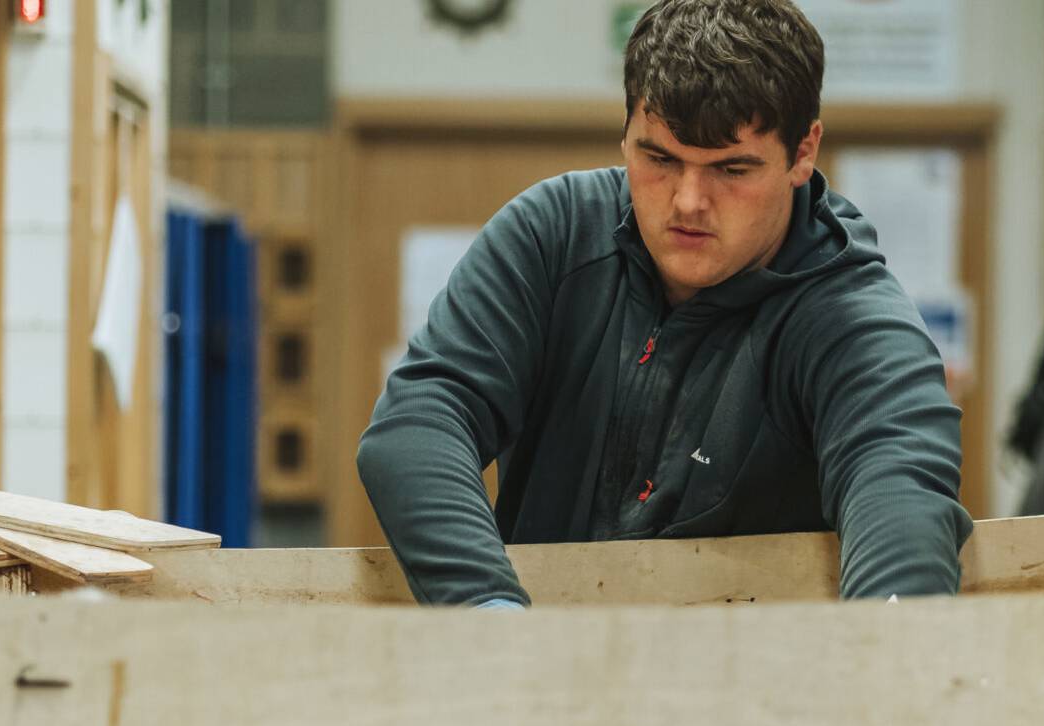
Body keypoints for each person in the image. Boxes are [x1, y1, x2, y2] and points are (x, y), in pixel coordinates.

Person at [357, 0, 971, 608]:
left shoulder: (853, 323)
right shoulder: (553, 237)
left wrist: (889, 649)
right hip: (535, 677)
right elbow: (418, 422)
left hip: (755, 693)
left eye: (732, 169)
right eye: (660, 159)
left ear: (803, 152)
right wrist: (488, 613)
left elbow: (901, 490)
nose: (688, 202)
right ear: (624, 132)